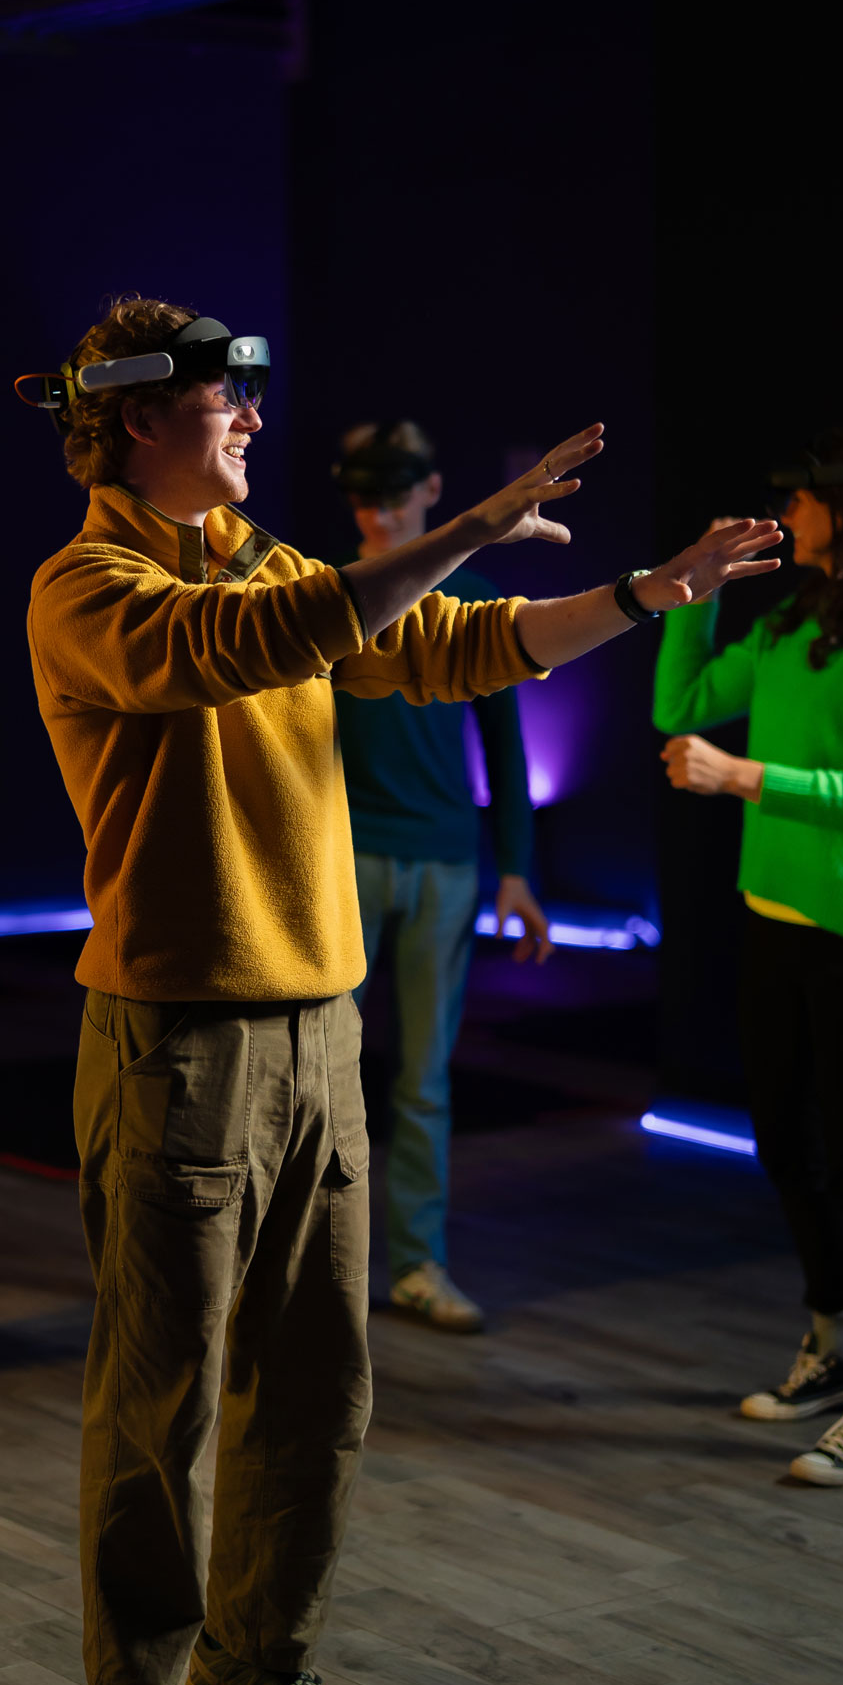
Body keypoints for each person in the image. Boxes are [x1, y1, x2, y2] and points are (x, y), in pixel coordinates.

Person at [23, 296, 779, 1685]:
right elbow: (237, 648)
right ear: (128, 422)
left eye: (248, 399)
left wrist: (649, 592)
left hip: (318, 1028)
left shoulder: (291, 569)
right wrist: (470, 525)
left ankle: (255, 1657)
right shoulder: (84, 586)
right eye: (218, 401)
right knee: (160, 1394)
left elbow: (460, 648)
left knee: (318, 1378)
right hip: (175, 1042)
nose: (248, 419)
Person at [653, 428, 843, 1486]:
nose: (786, 507)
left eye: (803, 497)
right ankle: (831, 1351)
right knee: (786, 1143)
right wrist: (692, 593)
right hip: (775, 917)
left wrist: (741, 779)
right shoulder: (796, 615)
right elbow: (679, 710)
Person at [332, 420, 549, 1333]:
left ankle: (417, 1263)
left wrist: (516, 871)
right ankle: (316, 1267)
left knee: (423, 1078)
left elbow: (505, 749)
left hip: (445, 863)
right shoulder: (328, 595)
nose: (381, 512)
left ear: (430, 491)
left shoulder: (478, 592)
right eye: (366, 495)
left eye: (397, 492)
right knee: (320, 1076)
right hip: (341, 858)